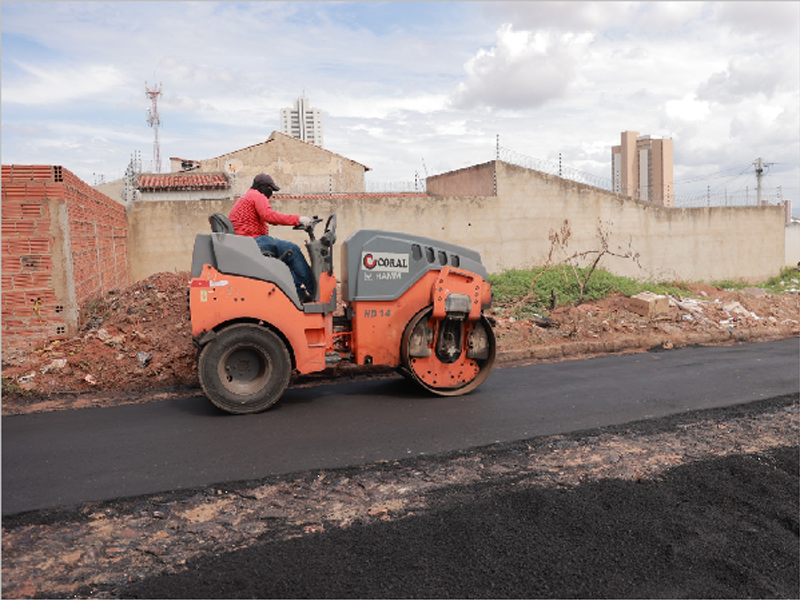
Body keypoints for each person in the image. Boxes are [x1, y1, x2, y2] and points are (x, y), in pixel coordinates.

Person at [228, 173, 315, 301]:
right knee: (293, 250)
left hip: (245, 242)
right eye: (271, 190)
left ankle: (299, 293)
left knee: (284, 259)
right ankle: (315, 290)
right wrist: (298, 219)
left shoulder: (246, 196)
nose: (272, 194)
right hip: (254, 242)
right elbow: (269, 216)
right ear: (263, 187)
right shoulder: (258, 196)